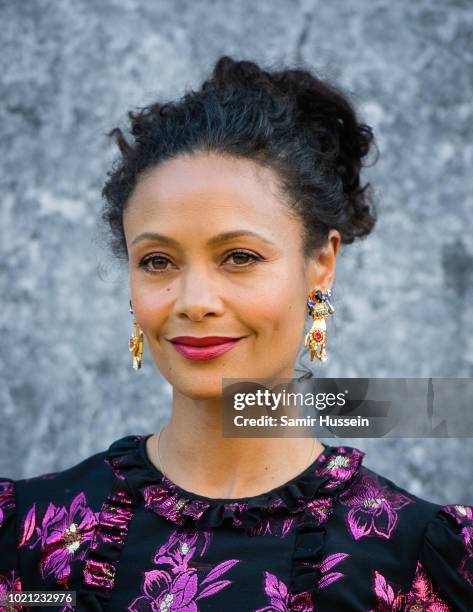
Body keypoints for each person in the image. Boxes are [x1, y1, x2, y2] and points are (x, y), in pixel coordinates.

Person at [1, 55, 472, 611]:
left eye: (239, 256)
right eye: (157, 261)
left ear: (321, 263)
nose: (195, 302)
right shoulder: (24, 535)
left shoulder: (419, 560)